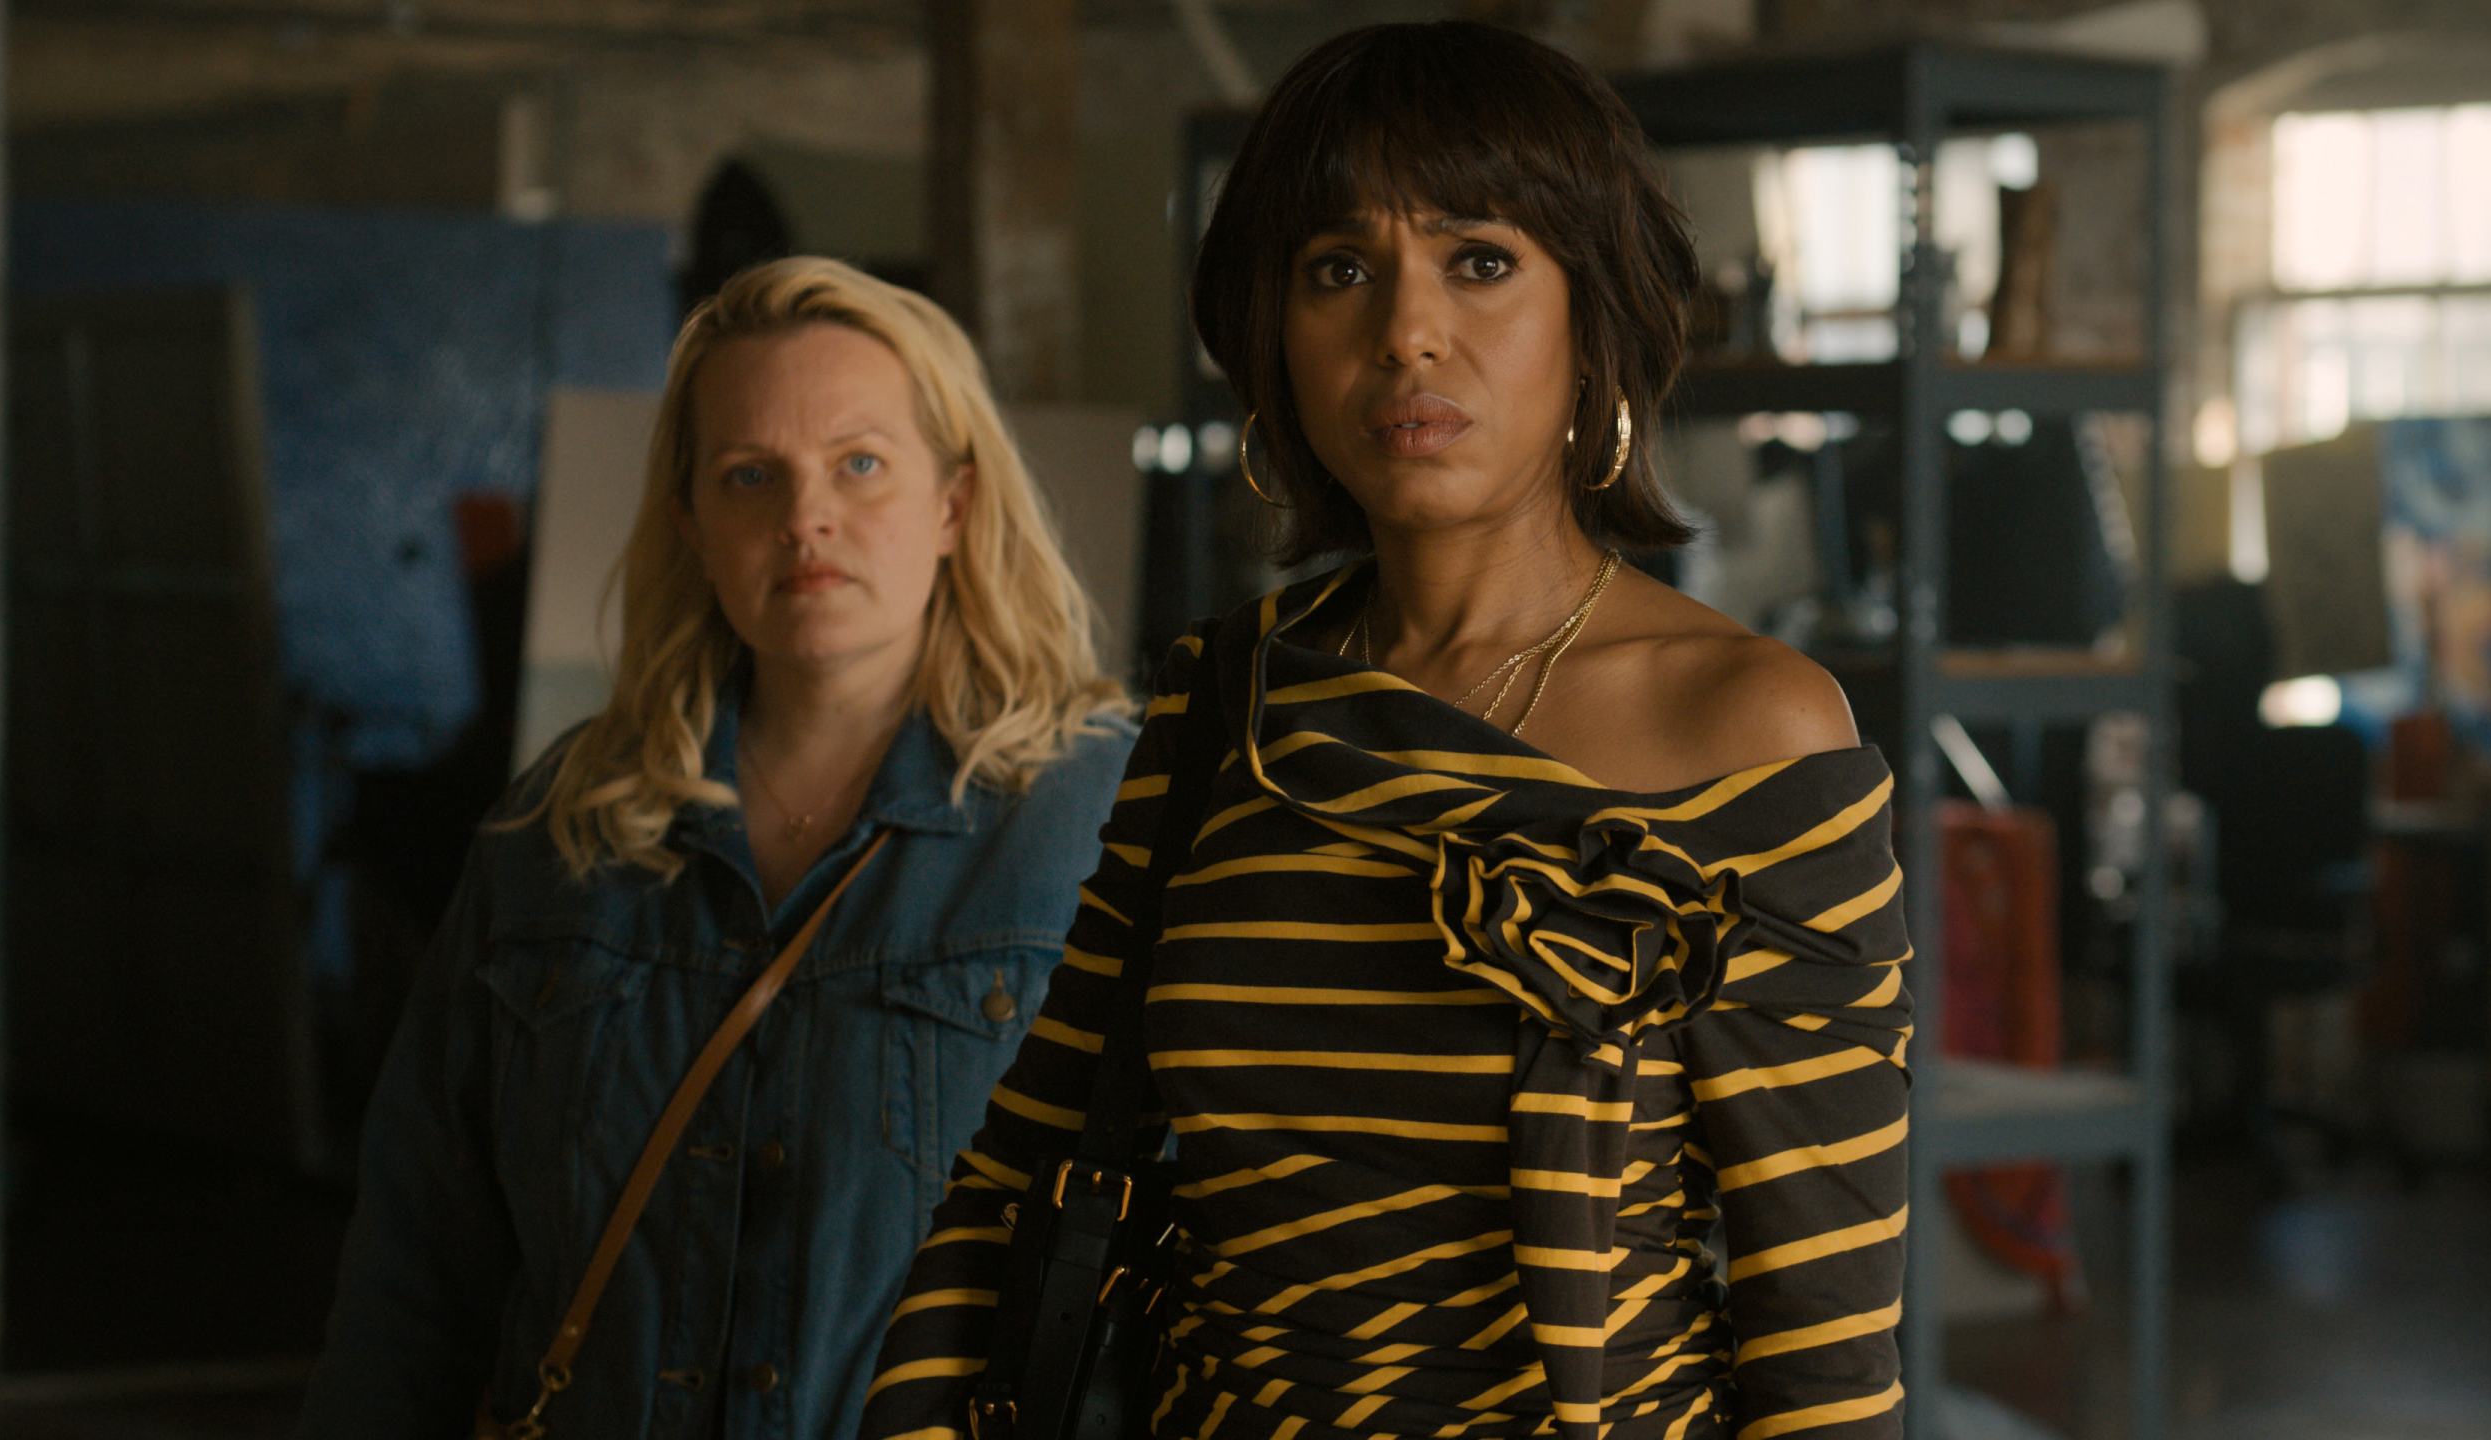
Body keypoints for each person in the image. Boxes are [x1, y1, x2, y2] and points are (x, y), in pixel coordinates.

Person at [865, 21, 1912, 1440]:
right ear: (1276, 336)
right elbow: (1021, 1175)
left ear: (1590, 314)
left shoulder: (1752, 728)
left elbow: (1824, 1348)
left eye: (1479, 260)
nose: (1406, 332)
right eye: (1340, 270)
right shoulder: (1224, 705)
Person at [299, 257, 1135, 1439]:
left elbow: (1207, 1266)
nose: (805, 518)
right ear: (692, 523)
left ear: (954, 504)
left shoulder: (1105, 821)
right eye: (751, 475)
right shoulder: (563, 831)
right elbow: (414, 1267)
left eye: (860, 463)